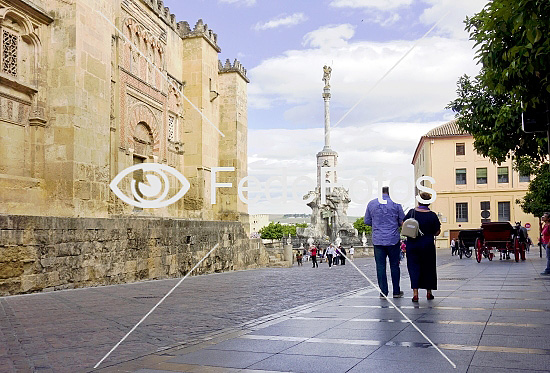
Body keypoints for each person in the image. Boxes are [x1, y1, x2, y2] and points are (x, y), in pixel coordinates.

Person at [364, 186, 405, 298]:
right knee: (395, 265)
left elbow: (367, 221)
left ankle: (383, 292)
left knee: (380, 266)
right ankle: (396, 291)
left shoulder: (371, 204)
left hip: (378, 240)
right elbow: (402, 221)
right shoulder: (396, 204)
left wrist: (377, 224)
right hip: (393, 239)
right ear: (389, 193)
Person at [404, 192, 441, 302]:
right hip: (427, 245)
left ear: (419, 201)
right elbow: (437, 232)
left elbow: (404, 224)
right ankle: (429, 292)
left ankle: (415, 294)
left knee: (413, 268)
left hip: (413, 245)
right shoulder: (432, 215)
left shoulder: (411, 213)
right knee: (428, 268)